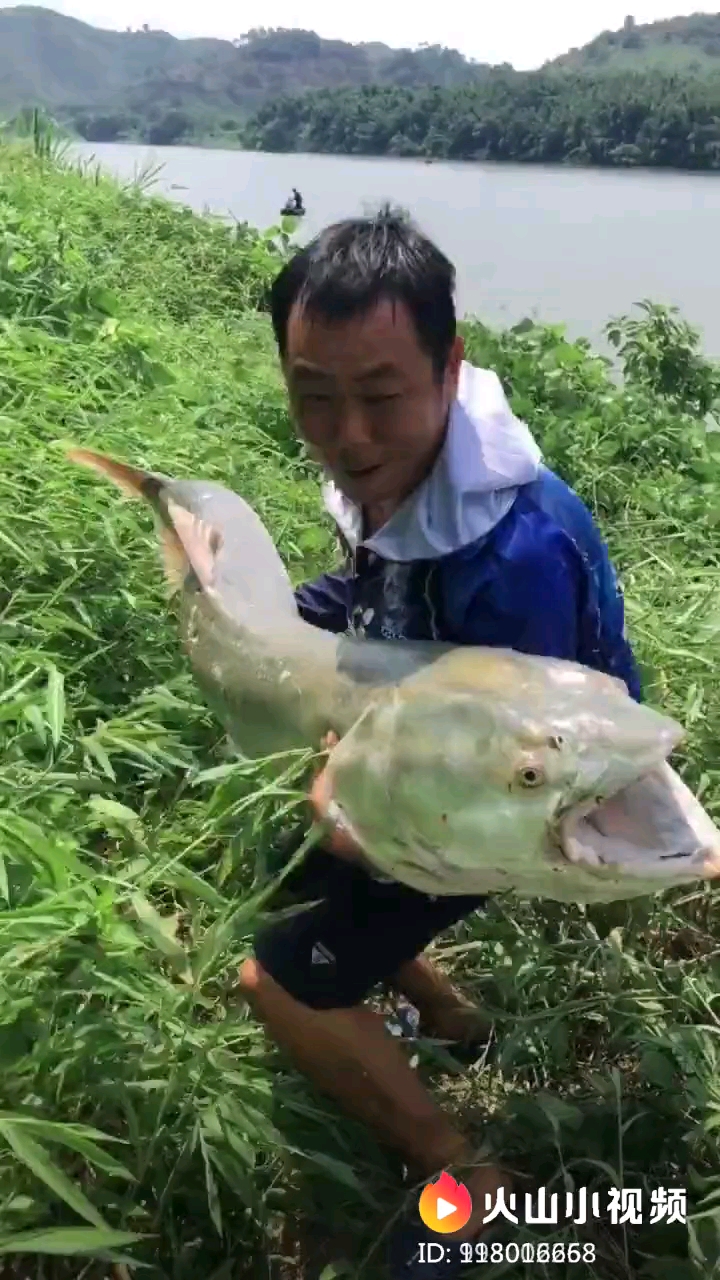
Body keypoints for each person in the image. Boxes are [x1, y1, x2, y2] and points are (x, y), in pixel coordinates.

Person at [238, 207, 641, 1277]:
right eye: (313, 396)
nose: (349, 437)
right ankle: (450, 1013)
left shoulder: (513, 558)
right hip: (464, 751)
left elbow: (514, 764)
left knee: (277, 978)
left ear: (450, 365)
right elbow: (373, 596)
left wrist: (362, 809)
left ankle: (464, 1171)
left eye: (380, 396)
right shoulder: (402, 471)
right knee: (297, 862)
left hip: (530, 800)